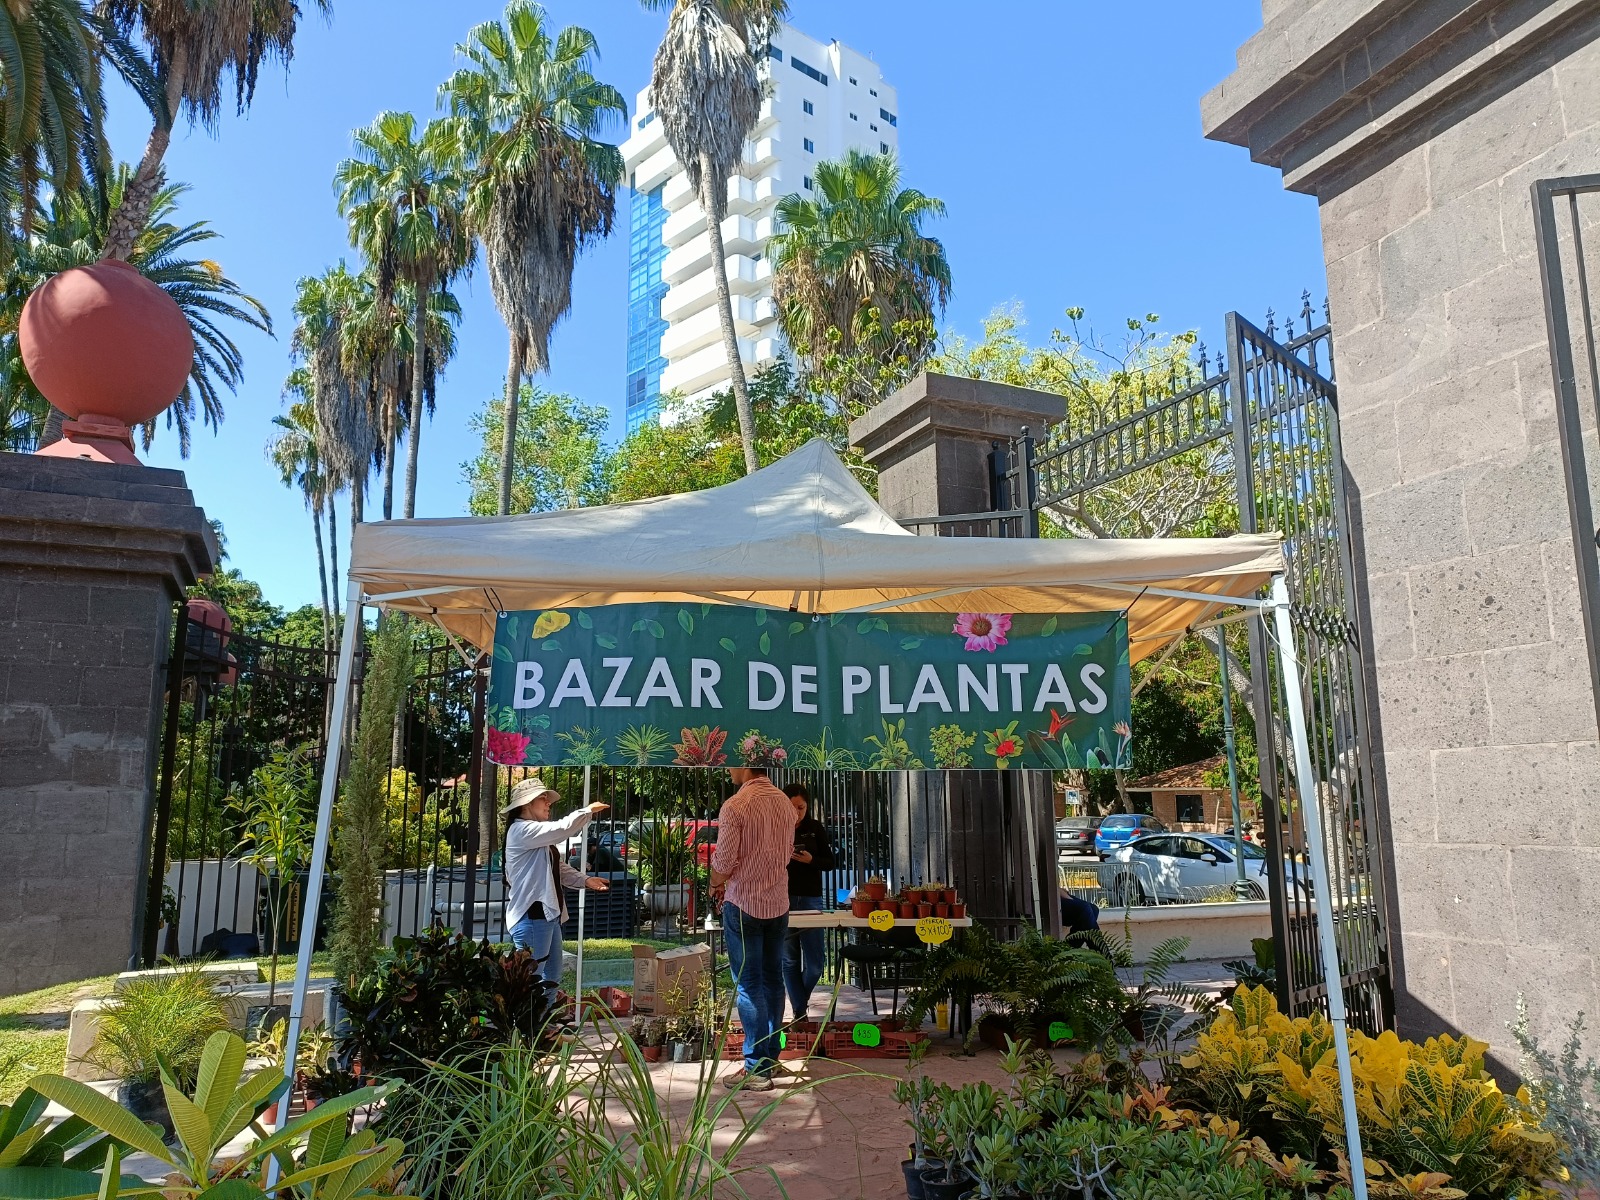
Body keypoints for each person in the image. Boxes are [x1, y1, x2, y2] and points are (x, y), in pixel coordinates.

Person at [709, 765, 798, 1091]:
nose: (728, 769)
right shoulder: (785, 804)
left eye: (730, 763)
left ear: (745, 765)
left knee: (748, 983)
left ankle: (756, 1068)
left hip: (744, 903)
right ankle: (771, 1059)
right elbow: (787, 853)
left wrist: (714, 882)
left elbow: (723, 861)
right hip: (778, 904)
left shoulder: (736, 805)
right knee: (774, 980)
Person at [503, 777, 610, 987]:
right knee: (531, 983)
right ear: (526, 803)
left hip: (545, 916)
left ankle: (546, 1021)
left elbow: (558, 868)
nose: (548, 803)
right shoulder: (521, 830)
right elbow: (563, 829)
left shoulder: (535, 835)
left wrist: (586, 880)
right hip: (532, 916)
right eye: (543, 798)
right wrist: (587, 810)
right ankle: (530, 1021)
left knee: (551, 979)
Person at [782, 782, 836, 1021]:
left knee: (815, 963)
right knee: (789, 959)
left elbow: (830, 862)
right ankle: (799, 1013)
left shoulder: (815, 828)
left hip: (811, 898)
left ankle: (799, 1003)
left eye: (801, 808)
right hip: (783, 898)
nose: (796, 813)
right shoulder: (776, 827)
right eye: (791, 808)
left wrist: (811, 859)